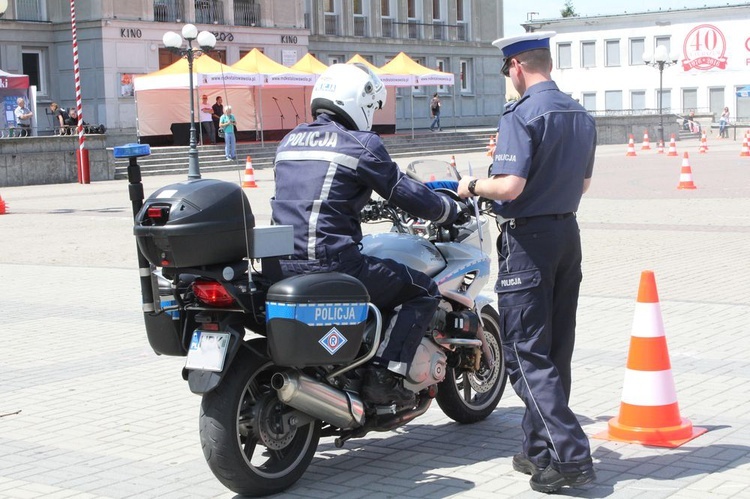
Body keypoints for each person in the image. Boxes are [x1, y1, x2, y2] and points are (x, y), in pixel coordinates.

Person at [270, 63, 460, 405]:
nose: (371, 115)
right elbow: (401, 189)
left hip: (279, 264)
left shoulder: (289, 139)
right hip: (331, 263)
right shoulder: (359, 143)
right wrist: (447, 210)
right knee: (421, 289)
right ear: (357, 102)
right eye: (372, 106)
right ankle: (384, 376)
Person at [457, 31, 596, 494]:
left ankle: (572, 458)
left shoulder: (522, 113)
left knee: (524, 354)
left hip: (528, 242)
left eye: (507, 72)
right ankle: (539, 450)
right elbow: (584, 183)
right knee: (555, 350)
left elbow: (510, 187)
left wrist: (474, 184)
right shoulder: (579, 113)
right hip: (566, 236)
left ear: (516, 66)